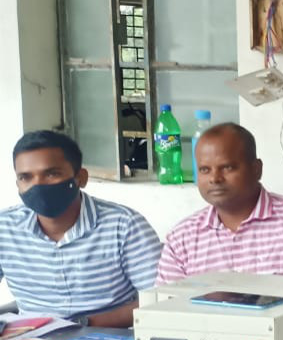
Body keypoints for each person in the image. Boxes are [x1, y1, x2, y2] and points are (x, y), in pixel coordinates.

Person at [0, 130, 162, 326]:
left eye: (51, 174)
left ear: (80, 178)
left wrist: (83, 324)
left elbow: (161, 300)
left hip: (108, 338)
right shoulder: (4, 228)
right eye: (26, 177)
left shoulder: (124, 225)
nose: (38, 186)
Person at [156, 123, 283, 284]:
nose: (215, 178)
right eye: (205, 170)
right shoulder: (182, 239)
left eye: (227, 167)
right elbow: (163, 308)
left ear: (256, 169)